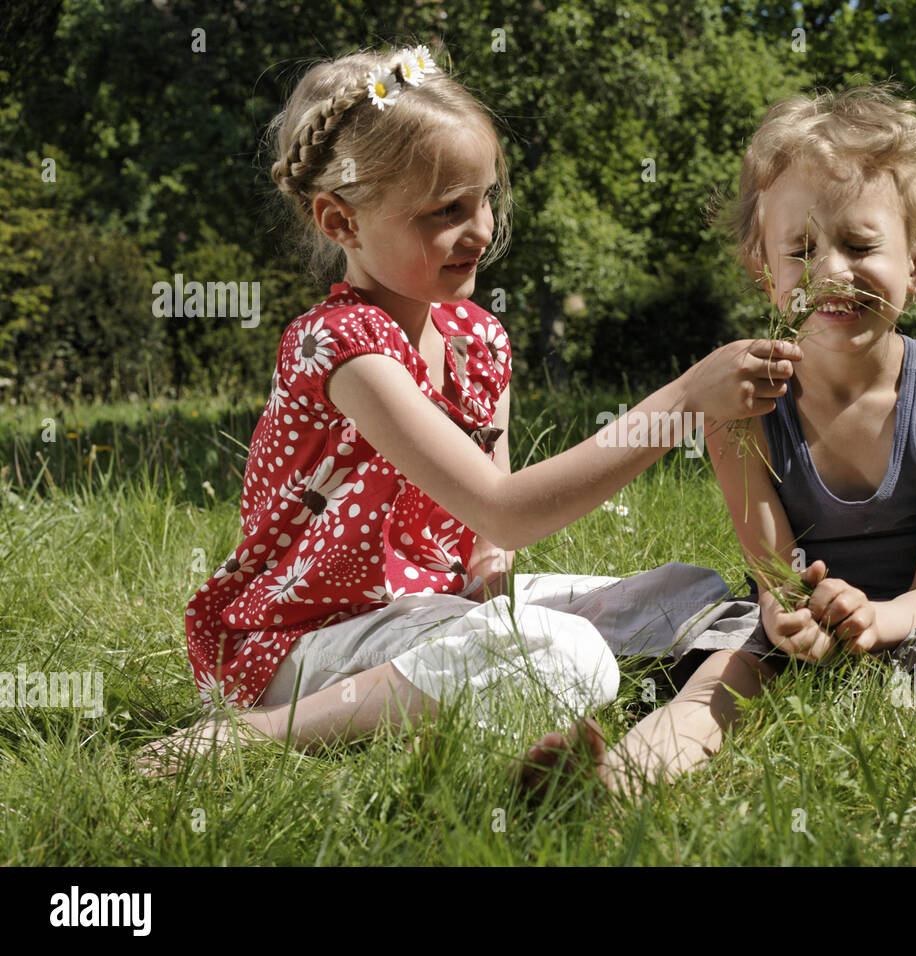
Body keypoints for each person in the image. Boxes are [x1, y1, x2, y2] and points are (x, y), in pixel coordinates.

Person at [134, 42, 800, 775]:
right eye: (444, 210)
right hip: (303, 641)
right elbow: (504, 507)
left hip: (433, 614)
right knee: (564, 651)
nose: (480, 227)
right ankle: (255, 734)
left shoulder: (478, 340)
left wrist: (493, 580)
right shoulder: (342, 348)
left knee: (692, 594)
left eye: (484, 196)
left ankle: (485, 701)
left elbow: (492, 540)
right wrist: (681, 400)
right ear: (340, 222)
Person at [520, 84, 916, 821]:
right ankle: (616, 780)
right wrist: (787, 616)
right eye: (802, 249)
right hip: (791, 618)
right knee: (724, 675)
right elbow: (774, 574)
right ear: (762, 266)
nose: (832, 271)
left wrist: (876, 618)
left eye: (860, 244)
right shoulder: (741, 407)